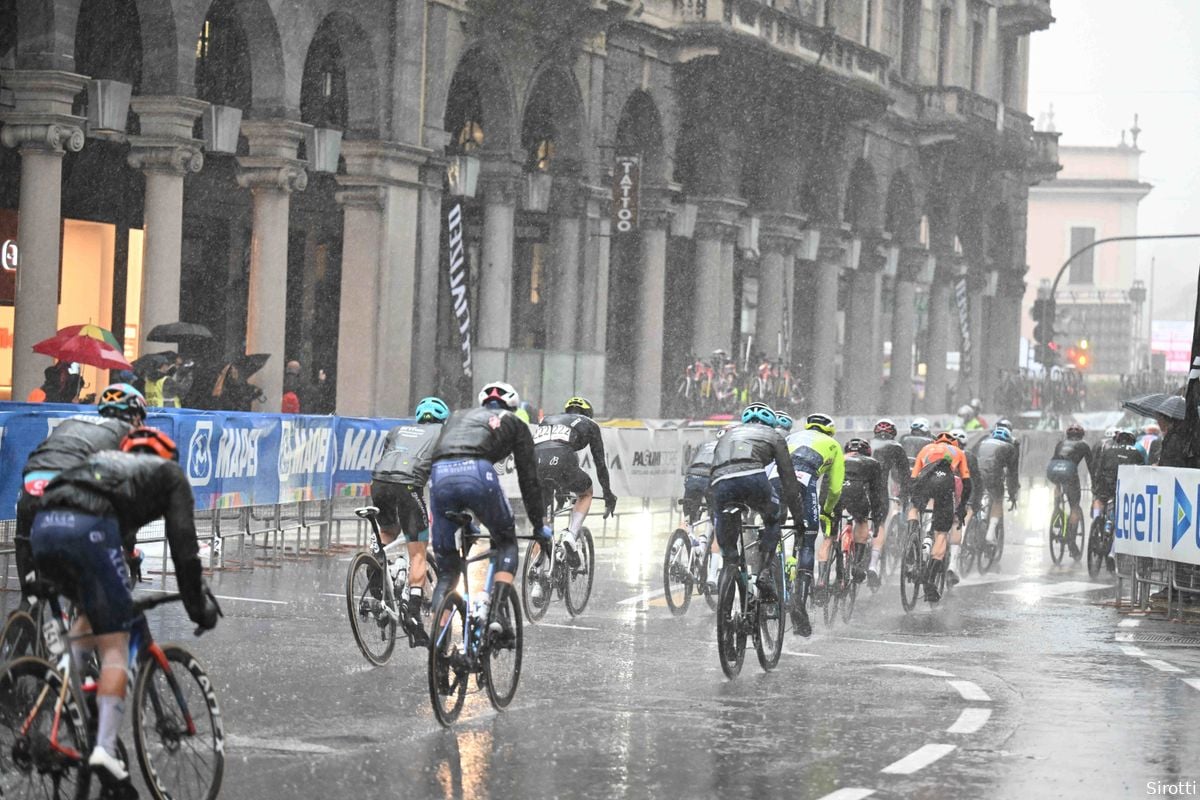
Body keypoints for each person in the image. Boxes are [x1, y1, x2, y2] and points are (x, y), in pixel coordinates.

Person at [30, 426, 219, 789]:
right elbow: (184, 547)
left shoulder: (104, 464)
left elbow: (121, 534)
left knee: (91, 612)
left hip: (44, 525)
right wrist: (198, 607)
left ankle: (66, 694)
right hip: (87, 528)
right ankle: (102, 748)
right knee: (116, 642)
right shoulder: (169, 475)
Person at [428, 381, 548, 644]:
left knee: (447, 573)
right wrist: (539, 525)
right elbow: (529, 479)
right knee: (505, 543)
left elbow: (444, 456)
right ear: (513, 407)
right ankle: (496, 613)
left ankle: (438, 643)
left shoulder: (457, 416)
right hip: (478, 472)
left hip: (439, 475)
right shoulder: (514, 422)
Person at [13, 383, 146, 602]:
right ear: (133, 417)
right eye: (140, 418)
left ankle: (27, 610)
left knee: (25, 542)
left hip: (33, 484)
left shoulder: (72, 421)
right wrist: (130, 553)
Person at [368, 396, 450, 645]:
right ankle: (412, 608)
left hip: (379, 483)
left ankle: (376, 564)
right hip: (408, 486)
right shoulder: (442, 433)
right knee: (418, 549)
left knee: (389, 530)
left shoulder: (397, 430)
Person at [709, 403, 805, 613]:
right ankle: (765, 573)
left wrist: (713, 513)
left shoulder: (728, 434)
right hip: (752, 478)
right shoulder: (774, 436)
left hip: (720, 483)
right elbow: (788, 482)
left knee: (730, 555)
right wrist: (798, 518)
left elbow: (713, 469)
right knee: (773, 515)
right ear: (772, 424)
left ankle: (728, 571)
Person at [772, 412, 844, 634]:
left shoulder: (792, 436)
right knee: (807, 540)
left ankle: (769, 573)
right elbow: (834, 488)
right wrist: (828, 510)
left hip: (773, 479)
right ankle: (799, 604)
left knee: (772, 529)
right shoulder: (833, 444)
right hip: (804, 482)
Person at [531, 396, 617, 571]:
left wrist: (559, 488)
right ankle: (571, 534)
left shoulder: (548, 419)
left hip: (534, 462)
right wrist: (608, 494)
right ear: (588, 414)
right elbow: (600, 463)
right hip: (562, 458)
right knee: (586, 492)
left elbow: (546, 449)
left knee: (543, 522)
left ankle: (536, 576)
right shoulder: (590, 424)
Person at [909, 432, 972, 602]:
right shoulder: (958, 452)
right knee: (942, 534)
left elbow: (914, 478)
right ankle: (929, 580)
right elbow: (966, 483)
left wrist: (915, 500)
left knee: (914, 506)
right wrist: (961, 508)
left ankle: (912, 539)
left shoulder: (926, 449)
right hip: (945, 484)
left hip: (924, 482)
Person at [832, 438, 888, 585]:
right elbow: (876, 494)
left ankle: (832, 568)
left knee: (832, 526)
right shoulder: (871, 463)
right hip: (857, 494)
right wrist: (876, 517)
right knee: (862, 520)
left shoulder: (839, 458)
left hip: (836, 492)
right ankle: (857, 565)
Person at [1092, 428, 1144, 572]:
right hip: (1123, 484)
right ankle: (1112, 551)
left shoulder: (1108, 449)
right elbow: (1142, 472)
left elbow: (1098, 468)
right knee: (1120, 517)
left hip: (1106, 483)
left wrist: (1096, 488)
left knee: (1099, 499)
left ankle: (1096, 521)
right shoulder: (1136, 452)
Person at [868, 418, 910, 587]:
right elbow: (904, 475)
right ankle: (873, 564)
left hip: (855, 489)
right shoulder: (896, 448)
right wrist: (903, 495)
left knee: (859, 520)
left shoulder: (867, 444)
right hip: (879, 490)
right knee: (879, 525)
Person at [1046, 423, 1094, 558]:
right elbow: (1091, 466)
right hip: (1069, 470)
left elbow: (1056, 458)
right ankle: (1071, 542)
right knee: (1074, 506)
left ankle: (1057, 506)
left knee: (1058, 483)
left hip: (1052, 469)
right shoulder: (1083, 445)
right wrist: (1095, 484)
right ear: (1081, 435)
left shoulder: (1060, 443)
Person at [974, 426, 1021, 557]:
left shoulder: (982, 442)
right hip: (993, 476)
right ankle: (990, 533)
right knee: (997, 500)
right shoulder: (1010, 448)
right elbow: (1013, 474)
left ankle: (971, 526)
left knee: (973, 501)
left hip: (975, 474)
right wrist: (1012, 494)